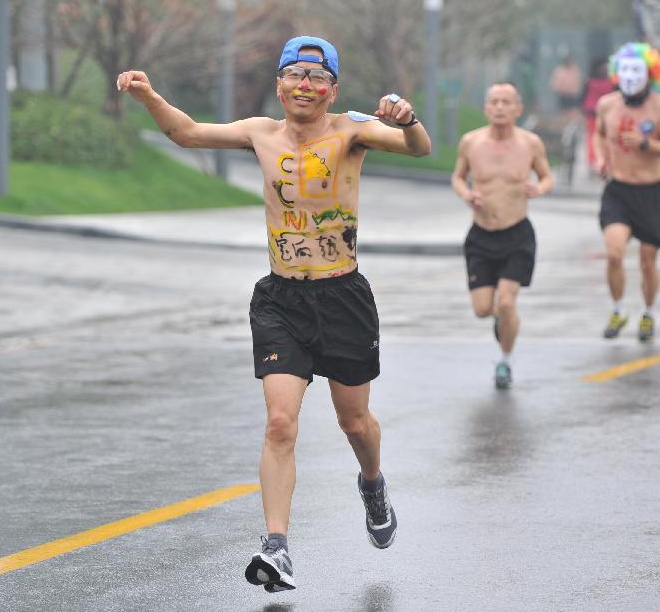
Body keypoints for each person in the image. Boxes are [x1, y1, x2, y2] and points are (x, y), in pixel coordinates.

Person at [116, 35, 431, 593]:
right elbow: (187, 133)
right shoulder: (260, 132)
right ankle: (277, 547)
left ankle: (373, 482)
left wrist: (408, 118)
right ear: (279, 84)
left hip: (343, 297)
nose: (304, 86)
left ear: (332, 90)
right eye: (294, 75)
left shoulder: (352, 132)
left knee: (354, 422)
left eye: (316, 77)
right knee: (281, 422)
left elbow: (418, 149)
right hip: (282, 299)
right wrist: (148, 97)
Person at [451, 83, 553, 389]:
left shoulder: (530, 143)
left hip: (517, 234)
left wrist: (539, 188)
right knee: (484, 309)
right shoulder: (471, 142)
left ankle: (505, 362)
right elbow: (457, 176)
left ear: (517, 109)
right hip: (481, 236)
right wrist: (467, 194)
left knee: (507, 303)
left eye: (506, 102)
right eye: (494, 101)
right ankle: (501, 320)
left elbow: (547, 176)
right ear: (486, 108)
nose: (499, 107)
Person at [593, 42, 660, 342]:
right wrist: (601, 158)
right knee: (614, 254)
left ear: (650, 73)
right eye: (625, 70)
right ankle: (618, 309)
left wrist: (646, 145)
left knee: (647, 261)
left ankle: (648, 313)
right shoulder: (607, 104)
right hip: (618, 190)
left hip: (651, 191)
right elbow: (599, 133)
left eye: (637, 71)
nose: (630, 77)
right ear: (617, 72)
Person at [582, 57, 614, 173]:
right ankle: (606, 162)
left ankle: (593, 161)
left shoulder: (589, 82)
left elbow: (583, 97)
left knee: (592, 136)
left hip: (592, 111)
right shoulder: (610, 82)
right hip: (605, 112)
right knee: (605, 136)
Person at [550, 55, 584, 126]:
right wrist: (561, 90)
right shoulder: (559, 71)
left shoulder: (575, 70)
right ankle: (563, 126)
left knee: (573, 112)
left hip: (573, 95)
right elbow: (556, 83)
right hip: (563, 95)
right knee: (563, 112)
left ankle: (572, 126)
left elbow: (577, 82)